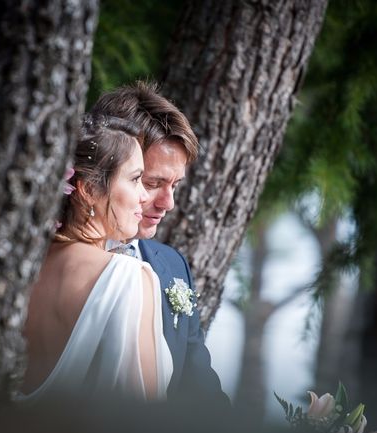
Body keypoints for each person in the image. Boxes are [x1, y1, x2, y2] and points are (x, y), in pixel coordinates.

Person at [19, 114, 173, 402]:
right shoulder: (126, 277)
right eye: (136, 179)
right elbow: (145, 418)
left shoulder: (21, 272)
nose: (144, 195)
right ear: (88, 190)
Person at [91, 81, 228, 404]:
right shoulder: (47, 262)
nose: (168, 203)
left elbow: (201, 395)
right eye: (152, 182)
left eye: (175, 185)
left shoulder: (173, 266)